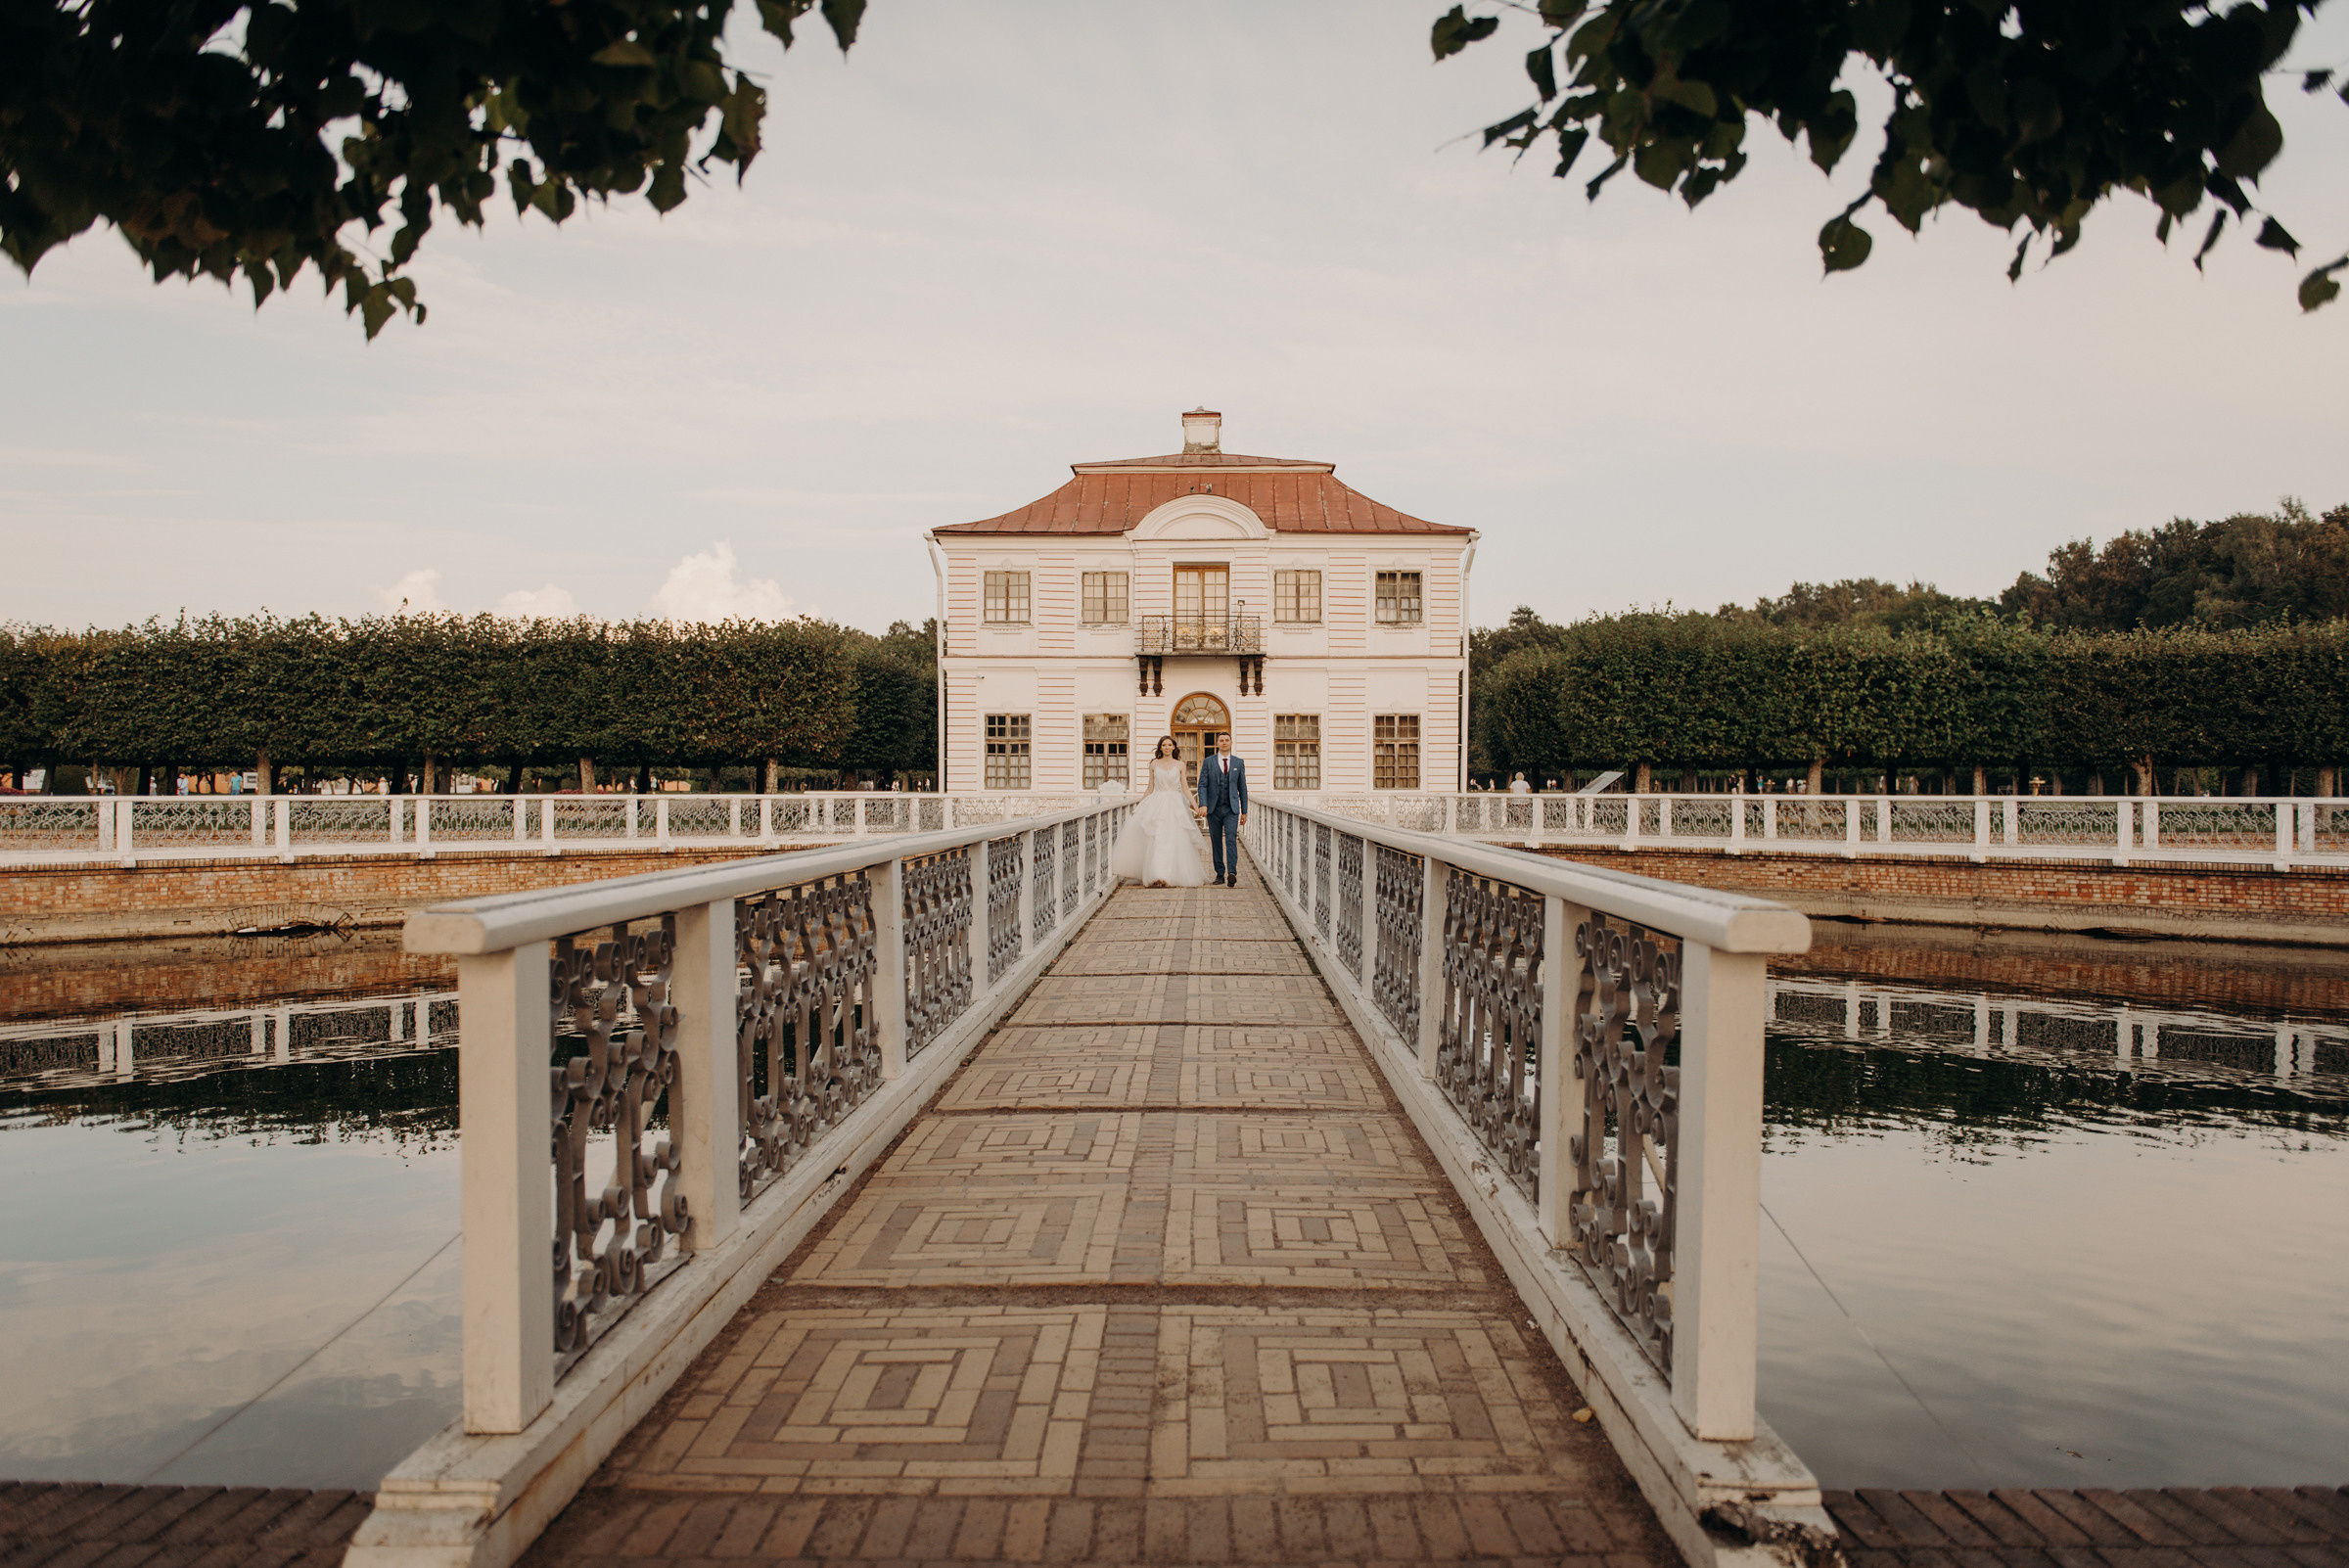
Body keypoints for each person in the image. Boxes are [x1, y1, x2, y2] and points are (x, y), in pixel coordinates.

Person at [1109, 736, 1213, 888]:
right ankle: (1158, 875)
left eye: (1170, 745)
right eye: (1164, 745)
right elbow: (1150, 788)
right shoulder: (1154, 764)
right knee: (1157, 839)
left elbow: (1185, 788)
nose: (1167, 747)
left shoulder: (1180, 765)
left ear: (1174, 747)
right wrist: (1138, 807)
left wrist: (1195, 806)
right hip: (1157, 804)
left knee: (1173, 840)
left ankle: (1171, 874)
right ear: (1160, 747)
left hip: (1175, 805)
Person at [1196, 731, 1249, 888]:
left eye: (1227, 740)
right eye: (1221, 740)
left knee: (1231, 839)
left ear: (1231, 743)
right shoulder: (1208, 762)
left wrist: (1244, 811)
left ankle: (1232, 872)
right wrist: (1203, 804)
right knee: (1216, 841)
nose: (1224, 742)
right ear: (1217, 743)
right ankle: (1220, 874)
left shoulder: (1238, 763)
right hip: (1213, 809)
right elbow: (1202, 784)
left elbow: (1243, 788)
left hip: (1231, 809)